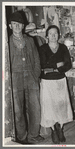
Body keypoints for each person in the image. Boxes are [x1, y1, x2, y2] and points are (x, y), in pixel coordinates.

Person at [8, 11, 44, 144]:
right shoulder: (7, 43)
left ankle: (33, 135)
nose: (17, 26)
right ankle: (22, 138)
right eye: (14, 24)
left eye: (19, 24)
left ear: (23, 26)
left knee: (35, 107)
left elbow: (36, 59)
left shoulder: (30, 40)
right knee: (18, 110)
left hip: (31, 76)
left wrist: (36, 75)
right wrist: (8, 80)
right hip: (15, 78)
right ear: (10, 26)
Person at [39, 25, 73, 144]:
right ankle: (53, 130)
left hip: (60, 81)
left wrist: (52, 68)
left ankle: (61, 128)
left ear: (58, 35)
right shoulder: (42, 48)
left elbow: (68, 64)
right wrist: (58, 65)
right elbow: (42, 65)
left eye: (55, 33)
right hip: (47, 82)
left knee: (61, 106)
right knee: (49, 107)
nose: (53, 36)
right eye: (51, 33)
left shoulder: (63, 47)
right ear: (47, 36)